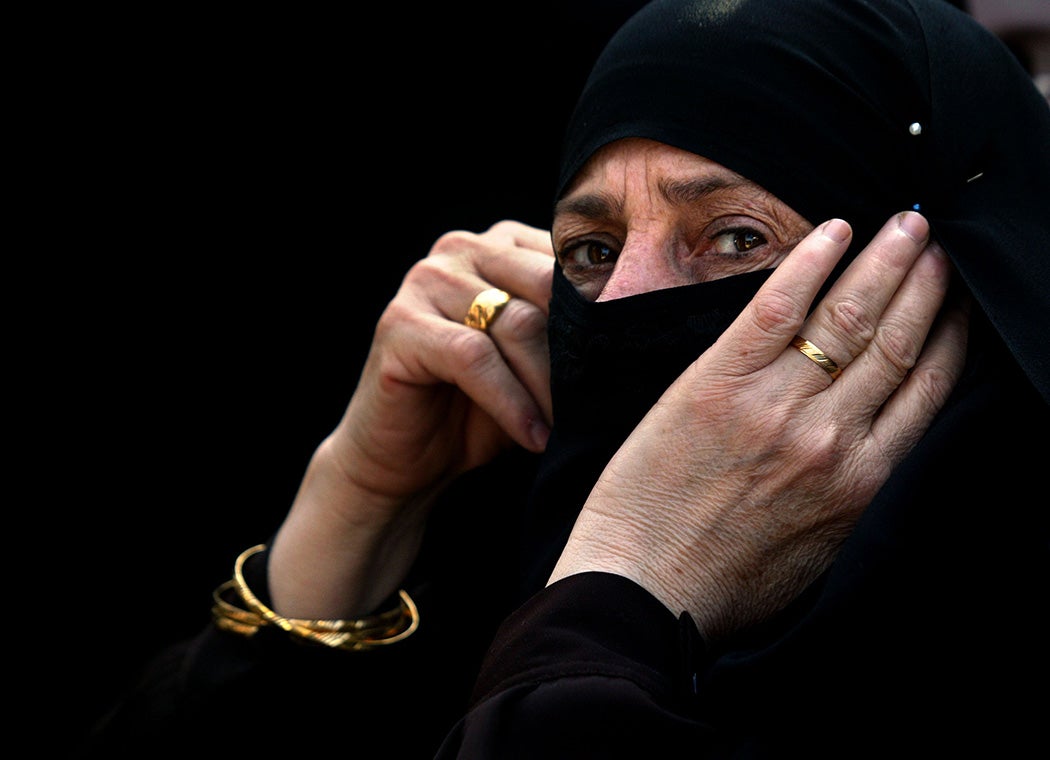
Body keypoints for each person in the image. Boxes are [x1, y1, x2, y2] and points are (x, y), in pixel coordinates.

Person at [78, 0, 1049, 757]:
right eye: (588, 249)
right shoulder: (489, 578)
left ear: (935, 288)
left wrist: (624, 586)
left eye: (736, 238)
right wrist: (359, 504)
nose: (621, 301)